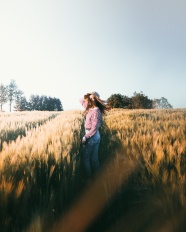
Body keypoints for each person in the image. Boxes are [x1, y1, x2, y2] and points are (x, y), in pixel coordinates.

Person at [79, 91, 110, 180]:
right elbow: (81, 100)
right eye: (90, 98)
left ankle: (89, 178)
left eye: (93, 98)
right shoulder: (90, 108)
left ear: (97, 100)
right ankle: (97, 179)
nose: (91, 100)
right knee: (94, 159)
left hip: (91, 136)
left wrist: (85, 137)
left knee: (86, 159)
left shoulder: (96, 112)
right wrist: (89, 94)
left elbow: (94, 128)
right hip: (95, 136)